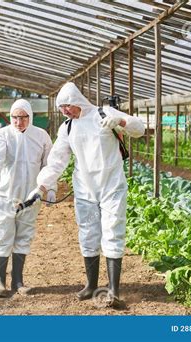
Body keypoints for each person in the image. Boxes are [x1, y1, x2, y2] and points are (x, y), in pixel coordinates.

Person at [28, 82, 145, 307]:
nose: (65, 111)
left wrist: (120, 121)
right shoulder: (67, 128)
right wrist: (41, 186)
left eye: (68, 106)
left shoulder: (104, 113)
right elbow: (56, 161)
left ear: (78, 101)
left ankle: (113, 290)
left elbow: (138, 128)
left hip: (111, 185)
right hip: (84, 189)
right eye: (61, 108)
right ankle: (91, 285)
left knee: (112, 232)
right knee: (88, 235)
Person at [0, 99, 56, 297]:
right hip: (5, 195)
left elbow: (49, 165)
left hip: (30, 196)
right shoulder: (4, 135)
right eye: (15, 118)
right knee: (1, 235)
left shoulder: (41, 136)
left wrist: (50, 189)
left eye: (23, 117)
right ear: (11, 118)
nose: (19, 122)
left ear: (30, 117)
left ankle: (18, 281)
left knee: (24, 236)